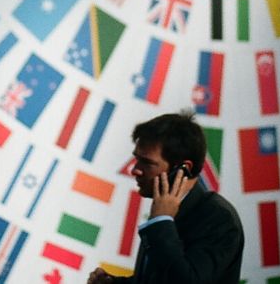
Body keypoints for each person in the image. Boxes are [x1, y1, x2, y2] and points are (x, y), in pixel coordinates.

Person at [87, 112, 244, 284]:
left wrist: (161, 223)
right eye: (137, 159)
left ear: (183, 168)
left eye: (146, 162)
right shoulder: (164, 212)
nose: (135, 170)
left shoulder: (219, 218)